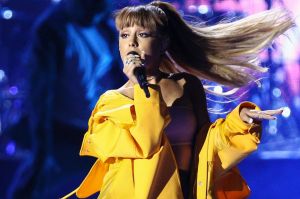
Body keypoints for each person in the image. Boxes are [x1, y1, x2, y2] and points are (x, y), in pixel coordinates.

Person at [62, 1, 294, 199]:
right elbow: (147, 142)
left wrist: (238, 122)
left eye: (143, 34)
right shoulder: (110, 103)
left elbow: (207, 149)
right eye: (124, 35)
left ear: (163, 42)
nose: (131, 43)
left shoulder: (186, 85)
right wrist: (143, 86)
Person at [7, 0, 125, 198]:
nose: (93, 17)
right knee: (30, 188)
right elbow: (41, 94)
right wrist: (43, 149)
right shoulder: (52, 31)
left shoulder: (105, 28)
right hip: (64, 132)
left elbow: (119, 79)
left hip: (98, 132)